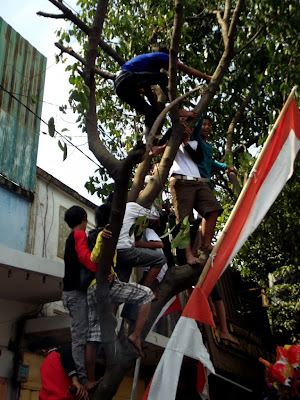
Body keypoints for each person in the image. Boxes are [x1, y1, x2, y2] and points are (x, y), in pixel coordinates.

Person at [85, 204, 154, 378]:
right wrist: (103, 240)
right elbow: (95, 257)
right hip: (105, 286)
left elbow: (94, 259)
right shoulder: (105, 235)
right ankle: (136, 335)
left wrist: (108, 271)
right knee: (147, 294)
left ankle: (89, 380)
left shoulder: (91, 235)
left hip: (92, 289)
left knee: (92, 338)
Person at [114, 46, 211, 135]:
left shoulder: (150, 66)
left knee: (150, 113)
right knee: (163, 77)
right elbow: (188, 70)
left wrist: (140, 90)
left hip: (120, 87)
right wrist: (208, 77)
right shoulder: (162, 56)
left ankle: (149, 143)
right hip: (125, 76)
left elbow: (137, 79)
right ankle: (179, 109)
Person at [62, 206, 98, 390]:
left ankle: (82, 378)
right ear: (84, 218)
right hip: (76, 293)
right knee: (80, 338)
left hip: (70, 293)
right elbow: (85, 257)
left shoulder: (70, 237)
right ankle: (83, 380)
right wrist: (101, 270)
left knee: (80, 335)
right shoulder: (79, 235)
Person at [115, 201, 167, 287]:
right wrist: (151, 202)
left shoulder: (113, 212)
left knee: (121, 282)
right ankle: (145, 293)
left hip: (114, 252)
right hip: (126, 249)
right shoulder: (131, 206)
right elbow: (155, 215)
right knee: (160, 259)